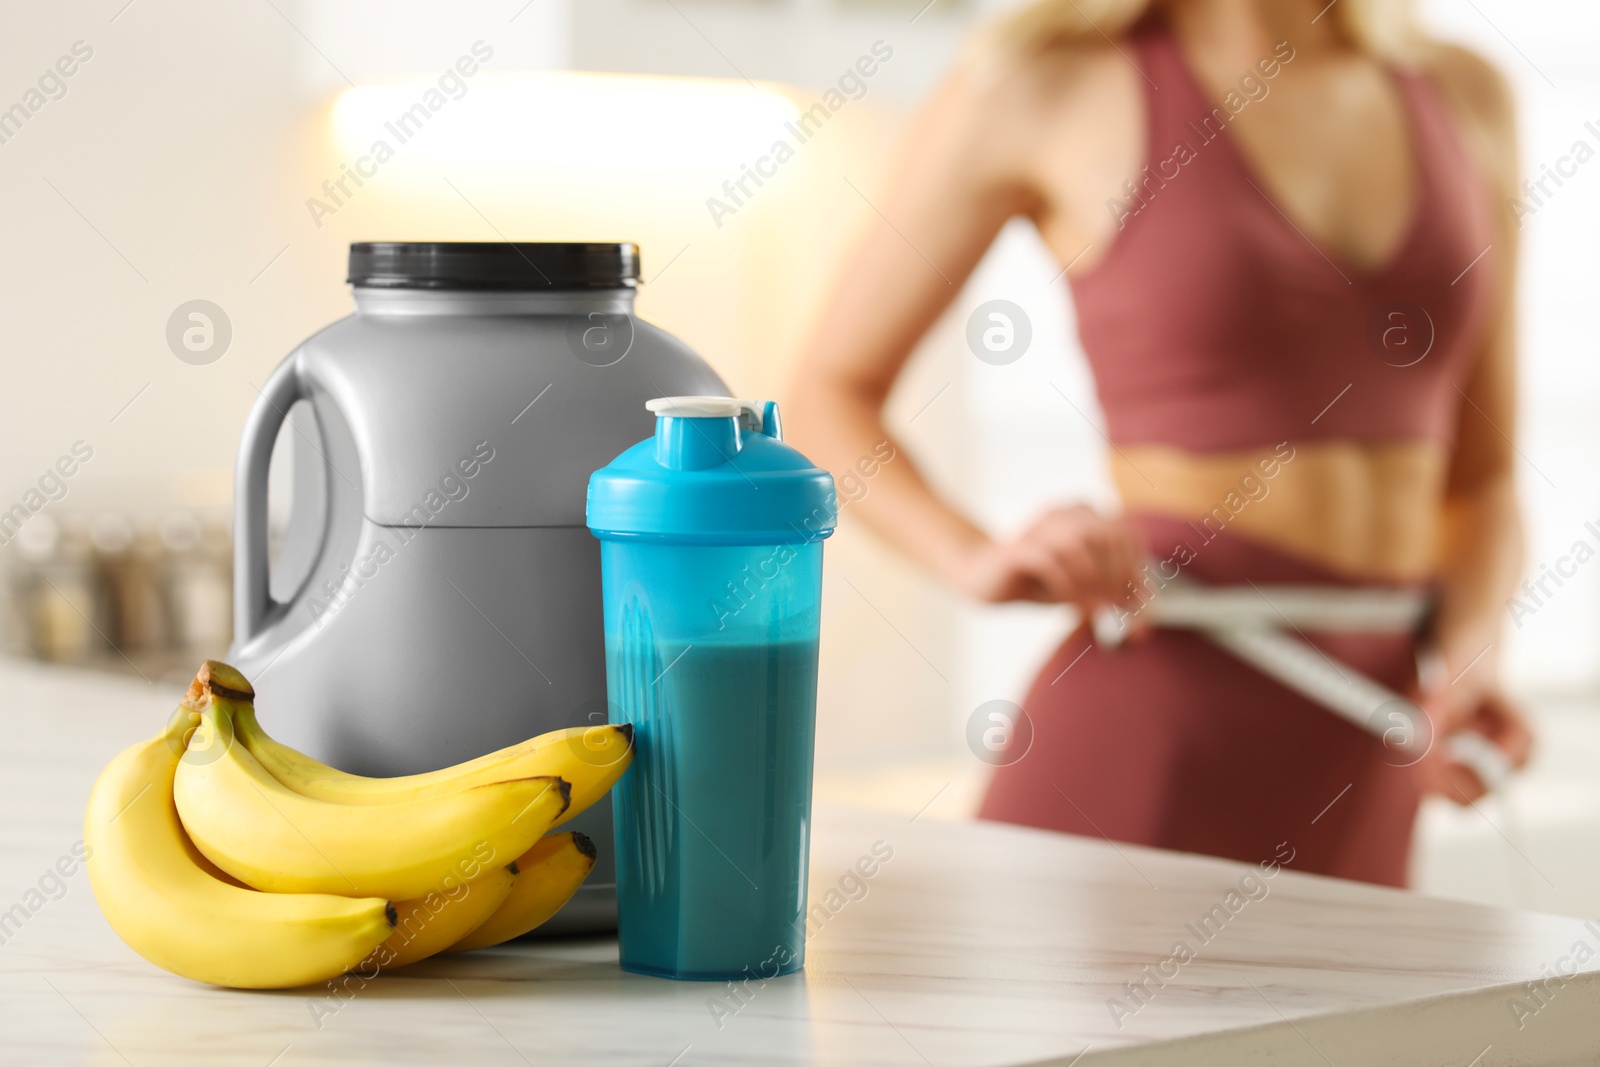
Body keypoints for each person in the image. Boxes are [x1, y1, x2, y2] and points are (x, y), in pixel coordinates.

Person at [786, 0, 1532, 886]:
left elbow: (1482, 482)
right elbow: (826, 395)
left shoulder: (1463, 93)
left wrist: (1473, 665)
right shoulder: (1046, 84)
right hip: (1149, 724)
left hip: (1368, 742)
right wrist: (972, 556)